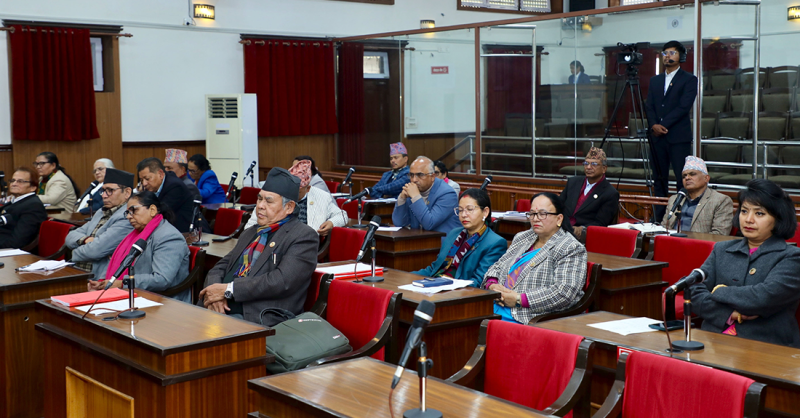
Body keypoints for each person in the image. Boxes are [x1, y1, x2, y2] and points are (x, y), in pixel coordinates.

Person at [198, 167, 318, 325]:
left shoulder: (303, 236)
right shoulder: (252, 232)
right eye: (259, 199)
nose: (260, 206)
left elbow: (281, 281)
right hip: (221, 307)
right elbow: (222, 265)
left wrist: (228, 290)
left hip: (259, 316)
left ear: (289, 207)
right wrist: (215, 292)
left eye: (268, 201)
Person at [691, 179, 800, 347]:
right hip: (713, 341)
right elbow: (694, 290)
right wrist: (729, 314)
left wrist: (720, 290)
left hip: (765, 345)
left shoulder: (792, 257)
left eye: (759, 213)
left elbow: (762, 298)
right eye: (744, 211)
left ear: (778, 219)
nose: (748, 220)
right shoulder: (721, 249)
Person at [481, 192, 587, 324]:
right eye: (532, 214)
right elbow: (498, 266)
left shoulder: (570, 247)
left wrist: (518, 299)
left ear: (559, 219)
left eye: (542, 214)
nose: (535, 219)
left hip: (528, 316)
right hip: (495, 304)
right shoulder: (523, 237)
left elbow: (563, 292)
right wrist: (492, 285)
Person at [87, 191, 191, 303]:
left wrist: (123, 283)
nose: (128, 216)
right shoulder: (135, 234)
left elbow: (161, 279)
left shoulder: (169, 237)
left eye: (133, 210)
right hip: (136, 295)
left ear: (152, 210)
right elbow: (119, 264)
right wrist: (104, 282)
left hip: (163, 302)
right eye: (127, 212)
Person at [645, 40, 698, 220]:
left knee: (681, 178)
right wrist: (653, 125)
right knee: (659, 179)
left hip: (677, 136)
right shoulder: (655, 80)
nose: (668, 56)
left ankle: (678, 217)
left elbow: (684, 107)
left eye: (672, 53)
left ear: (681, 57)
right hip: (656, 137)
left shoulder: (689, 79)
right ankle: (658, 217)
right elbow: (649, 105)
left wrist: (663, 124)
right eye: (665, 53)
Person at [412, 189, 507, 287]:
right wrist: (407, 277)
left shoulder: (495, 243)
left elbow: (479, 282)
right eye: (460, 210)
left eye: (470, 209)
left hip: (459, 293)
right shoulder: (454, 233)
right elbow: (434, 269)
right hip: (435, 284)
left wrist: (445, 286)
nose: (463, 215)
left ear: (485, 212)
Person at [244, 159, 346, 236]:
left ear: (308, 188)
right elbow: (250, 226)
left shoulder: (322, 196)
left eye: (298, 189)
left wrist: (331, 222)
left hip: (307, 244)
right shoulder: (275, 195)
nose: (292, 191)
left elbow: (342, 216)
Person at [66, 168, 135, 279]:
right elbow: (70, 236)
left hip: (97, 277)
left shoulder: (127, 217)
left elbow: (95, 251)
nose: (104, 195)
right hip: (78, 269)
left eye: (110, 190)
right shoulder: (101, 212)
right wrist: (86, 240)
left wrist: (73, 252)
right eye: (103, 190)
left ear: (127, 193)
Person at [661, 156, 733, 235]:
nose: (687, 178)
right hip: (671, 243)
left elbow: (720, 234)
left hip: (699, 245)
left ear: (706, 178)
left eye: (692, 174)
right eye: (684, 176)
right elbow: (664, 227)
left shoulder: (721, 200)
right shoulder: (675, 199)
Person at [559, 147, 620, 237]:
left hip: (585, 236)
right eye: (586, 163)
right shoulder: (573, 182)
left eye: (594, 164)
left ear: (604, 169)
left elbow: (601, 223)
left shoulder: (610, 193)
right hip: (561, 228)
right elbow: (558, 205)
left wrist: (583, 229)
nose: (588, 167)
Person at [392, 156, 461, 234]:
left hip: (441, 242)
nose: (414, 180)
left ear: (432, 177)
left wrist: (416, 197)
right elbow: (399, 223)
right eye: (411, 175)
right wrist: (401, 198)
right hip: (419, 240)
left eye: (420, 175)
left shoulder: (447, 193)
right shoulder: (412, 190)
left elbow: (429, 224)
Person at [136, 158, 194, 233]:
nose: (144, 183)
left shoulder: (175, 186)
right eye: (141, 180)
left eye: (147, 178)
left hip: (186, 234)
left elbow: (160, 213)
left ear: (160, 174)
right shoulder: (150, 187)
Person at [0, 167, 47, 249]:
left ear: (33, 187)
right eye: (12, 180)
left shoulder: (33, 206)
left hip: (14, 255)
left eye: (20, 181)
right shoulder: (16, 202)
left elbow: (17, 241)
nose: (14, 184)